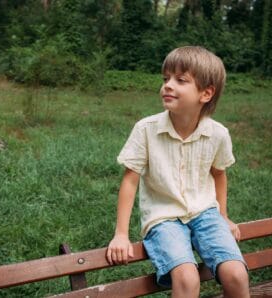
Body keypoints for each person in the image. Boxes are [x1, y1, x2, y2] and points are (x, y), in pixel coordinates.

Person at [106, 46, 249, 297]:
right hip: (164, 217)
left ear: (206, 93)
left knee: (236, 274)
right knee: (187, 278)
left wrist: (223, 216)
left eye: (180, 80)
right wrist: (120, 234)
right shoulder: (146, 129)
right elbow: (130, 182)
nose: (168, 85)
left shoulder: (218, 134)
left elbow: (219, 174)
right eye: (166, 79)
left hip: (205, 213)